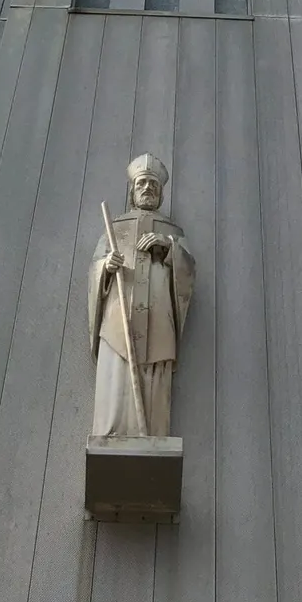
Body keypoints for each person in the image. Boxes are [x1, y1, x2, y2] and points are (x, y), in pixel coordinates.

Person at [87, 153, 195, 439]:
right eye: (142, 183)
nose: (147, 188)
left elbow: (188, 272)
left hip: (159, 319)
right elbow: (95, 267)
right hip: (119, 318)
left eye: (153, 185)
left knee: (154, 373)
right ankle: (113, 432)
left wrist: (168, 247)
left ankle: (152, 434)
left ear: (161, 193)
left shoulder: (173, 232)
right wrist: (107, 267)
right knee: (118, 370)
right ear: (132, 191)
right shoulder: (116, 227)